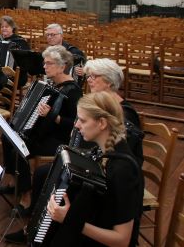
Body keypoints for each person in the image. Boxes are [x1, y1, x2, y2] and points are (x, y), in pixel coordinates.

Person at [47, 91, 143, 247]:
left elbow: (122, 240)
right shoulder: (104, 151)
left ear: (102, 123)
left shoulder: (122, 170)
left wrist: (70, 219)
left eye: (82, 120)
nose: (77, 124)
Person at [0, 45, 82, 209]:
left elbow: (75, 125)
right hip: (43, 133)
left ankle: (27, 195)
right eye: (44, 63)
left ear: (62, 66)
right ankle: (14, 181)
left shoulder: (73, 91)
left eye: (49, 63)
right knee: (7, 137)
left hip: (60, 139)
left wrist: (54, 116)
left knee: (18, 149)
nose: (44, 67)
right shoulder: (52, 85)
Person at [0, 15, 31, 86]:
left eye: (7, 26)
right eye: (2, 27)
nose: (4, 28)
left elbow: (27, 61)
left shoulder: (20, 42)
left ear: (12, 27)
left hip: (17, 75)